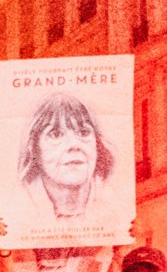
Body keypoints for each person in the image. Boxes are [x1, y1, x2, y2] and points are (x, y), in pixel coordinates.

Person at [15, 96, 114, 226]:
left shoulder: (116, 205)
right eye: (55, 134)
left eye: (83, 132)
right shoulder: (17, 209)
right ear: (34, 148)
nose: (74, 144)